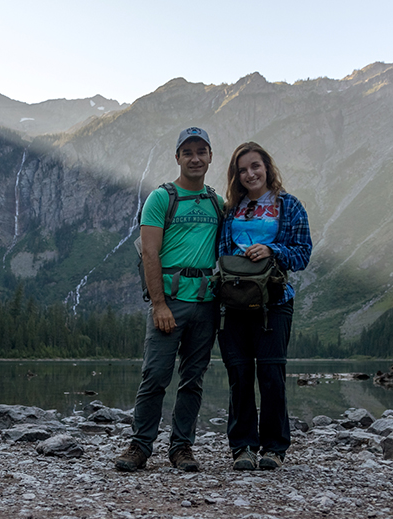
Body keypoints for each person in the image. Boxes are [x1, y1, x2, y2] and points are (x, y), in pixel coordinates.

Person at [115, 127, 224, 473]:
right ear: (177, 157)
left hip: (206, 304)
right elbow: (150, 253)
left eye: (201, 151)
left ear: (210, 156)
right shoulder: (161, 198)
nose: (195, 158)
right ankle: (139, 446)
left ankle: (182, 448)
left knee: (193, 380)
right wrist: (159, 304)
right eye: (187, 152)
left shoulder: (217, 203)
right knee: (155, 375)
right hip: (170, 303)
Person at [217, 141, 311, 471]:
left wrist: (272, 250)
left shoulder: (289, 205)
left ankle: (274, 448)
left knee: (271, 375)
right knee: (239, 375)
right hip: (233, 302)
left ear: (267, 167)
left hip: (274, 301)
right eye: (242, 170)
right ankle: (243, 447)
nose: (250, 174)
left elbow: (303, 253)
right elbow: (220, 254)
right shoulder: (231, 209)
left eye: (255, 166)